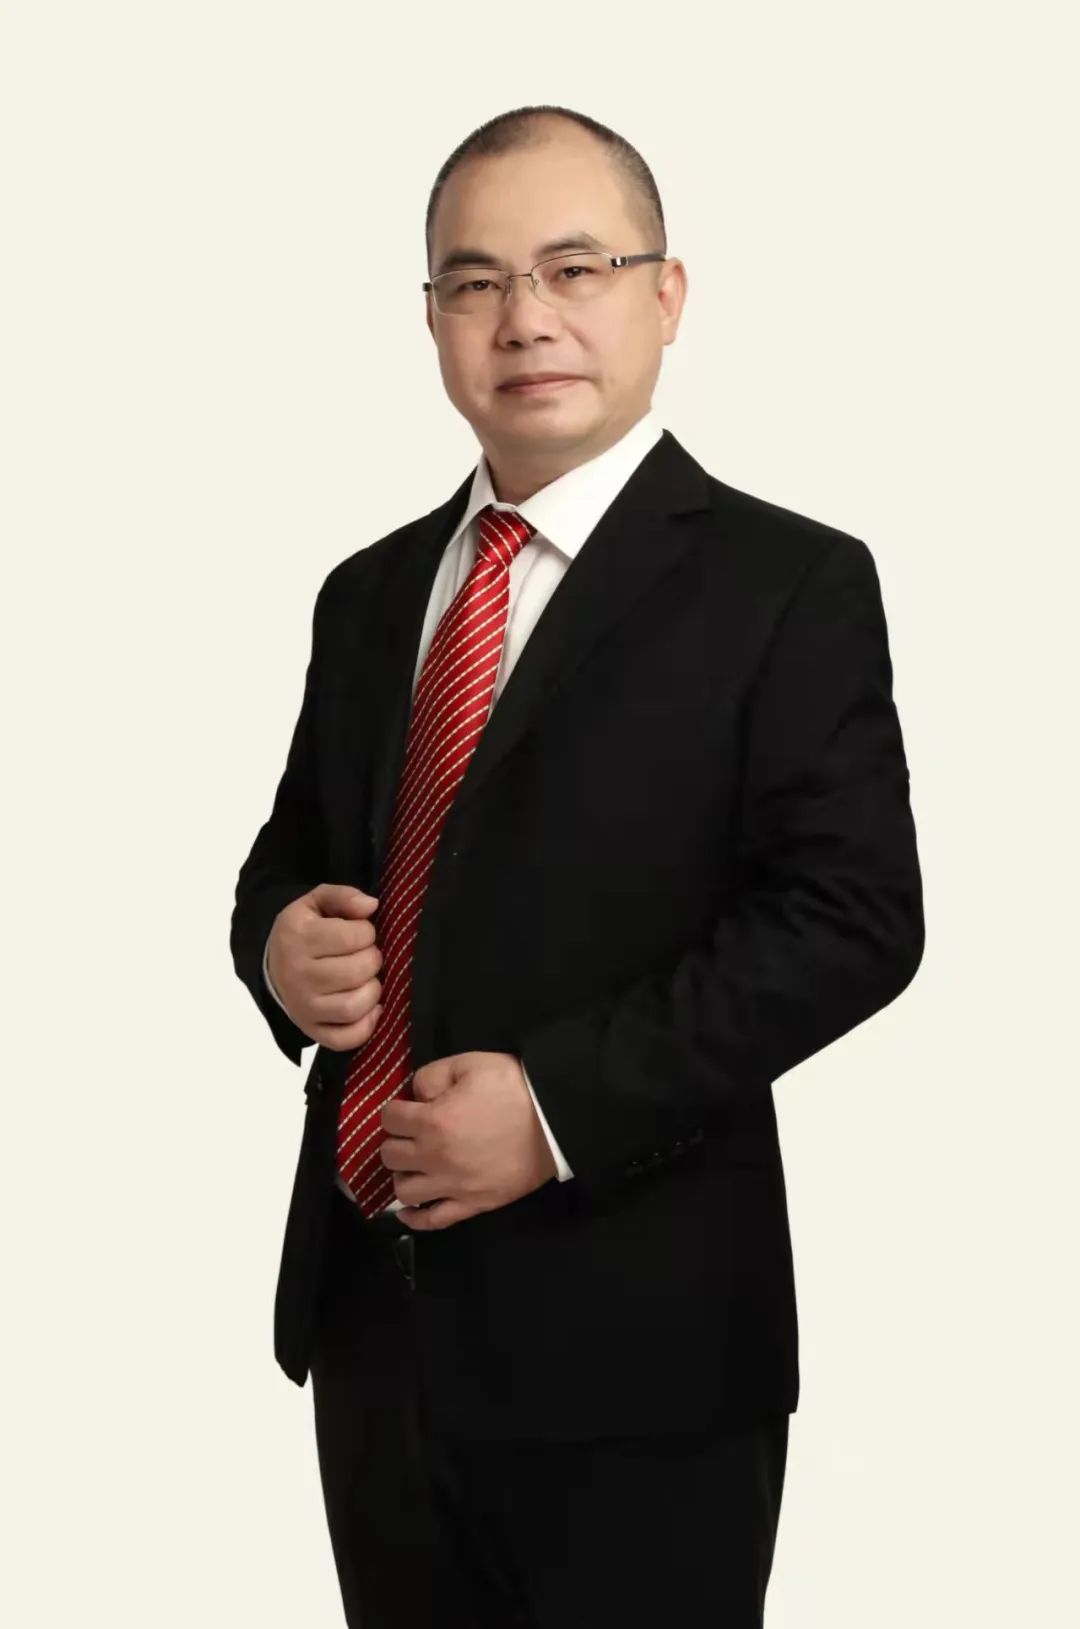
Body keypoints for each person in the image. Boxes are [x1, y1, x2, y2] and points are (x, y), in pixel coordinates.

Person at [230, 103, 925, 1629]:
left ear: (665, 295)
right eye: (475, 281)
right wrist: (278, 941)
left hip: (640, 1346)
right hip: (373, 1331)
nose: (525, 317)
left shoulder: (785, 583)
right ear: (430, 317)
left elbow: (853, 917)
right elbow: (293, 847)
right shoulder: (368, 594)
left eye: (574, 267)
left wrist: (554, 1110)